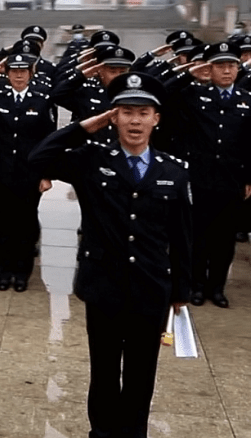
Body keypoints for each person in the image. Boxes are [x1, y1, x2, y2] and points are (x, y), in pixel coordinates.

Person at [29, 71, 192, 438]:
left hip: (151, 286)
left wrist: (181, 291)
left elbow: (182, 236)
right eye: (126, 111)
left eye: (143, 112)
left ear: (156, 118)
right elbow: (38, 158)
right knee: (103, 370)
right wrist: (87, 125)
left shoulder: (174, 171)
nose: (135, 121)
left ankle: (134, 433)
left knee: (141, 372)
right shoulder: (91, 160)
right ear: (114, 117)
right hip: (104, 285)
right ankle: (101, 433)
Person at [166, 42, 251, 308]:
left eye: (231, 65)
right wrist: (189, 73)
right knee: (198, 236)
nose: (226, 71)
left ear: (239, 69)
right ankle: (195, 285)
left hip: (231, 179)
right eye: (220, 66)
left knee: (225, 238)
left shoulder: (248, 99)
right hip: (199, 178)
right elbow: (164, 95)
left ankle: (217, 287)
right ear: (210, 68)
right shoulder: (193, 95)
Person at [0, 53, 57, 292]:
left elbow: (49, 140)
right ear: (6, 74)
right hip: (1, 171)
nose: (18, 75)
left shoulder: (42, 100)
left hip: (29, 173)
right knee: (3, 224)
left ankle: (22, 274)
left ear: (31, 73)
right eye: (13, 71)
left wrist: (46, 174)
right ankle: (3, 273)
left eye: (23, 71)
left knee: (25, 223)